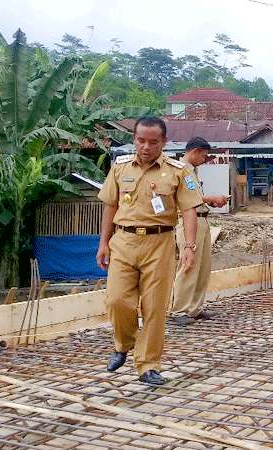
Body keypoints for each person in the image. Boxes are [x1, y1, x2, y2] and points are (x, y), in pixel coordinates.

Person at [96, 116, 203, 385]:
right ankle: (124, 342)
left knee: (154, 307)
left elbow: (189, 210)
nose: (146, 147)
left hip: (160, 244)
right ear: (134, 139)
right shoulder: (120, 168)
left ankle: (148, 365)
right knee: (117, 300)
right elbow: (110, 206)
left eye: (153, 142)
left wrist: (189, 246)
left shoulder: (179, 171)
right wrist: (103, 243)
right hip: (123, 242)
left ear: (164, 142)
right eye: (141, 140)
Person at [169, 137, 229, 326]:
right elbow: (188, 198)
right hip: (188, 221)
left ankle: (193, 308)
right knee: (189, 264)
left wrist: (210, 200)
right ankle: (179, 309)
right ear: (194, 151)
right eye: (203, 156)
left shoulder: (192, 171)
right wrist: (212, 198)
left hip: (201, 220)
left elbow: (195, 197)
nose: (204, 159)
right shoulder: (181, 169)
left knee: (202, 267)